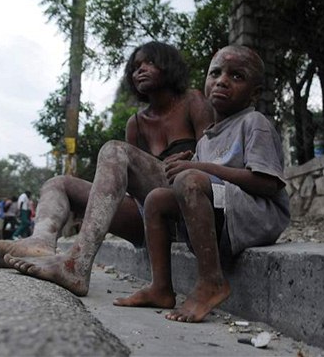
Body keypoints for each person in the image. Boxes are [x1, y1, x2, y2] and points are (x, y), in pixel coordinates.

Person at [0, 41, 213, 278]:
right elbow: (135, 186)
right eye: (136, 66)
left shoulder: (193, 101)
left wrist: (192, 160)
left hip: (188, 206)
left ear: (168, 65)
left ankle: (77, 263)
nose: (140, 70)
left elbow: (214, 160)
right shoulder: (136, 123)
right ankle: (39, 242)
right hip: (147, 216)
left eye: (150, 62)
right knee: (58, 183)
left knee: (114, 150)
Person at [112, 45, 290, 322]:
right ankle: (160, 287)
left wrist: (199, 167)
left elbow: (268, 184)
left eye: (237, 76)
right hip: (228, 213)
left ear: (254, 93)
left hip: (258, 216)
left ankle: (211, 281)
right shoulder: (207, 138)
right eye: (215, 73)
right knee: (158, 198)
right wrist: (189, 162)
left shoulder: (254, 122)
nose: (222, 81)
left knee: (190, 179)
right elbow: (202, 182)